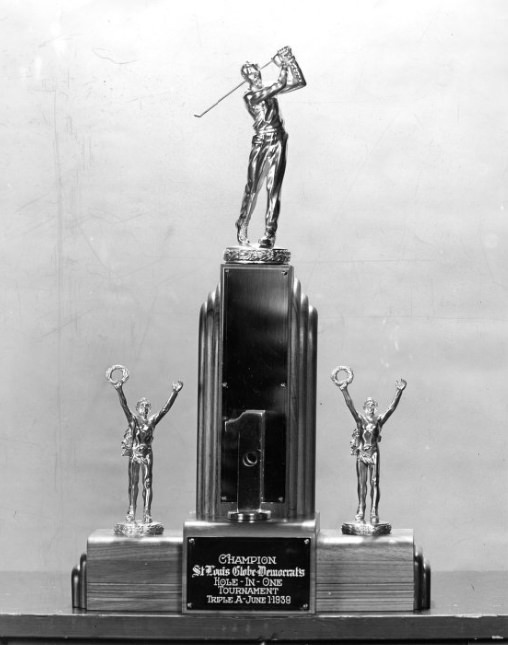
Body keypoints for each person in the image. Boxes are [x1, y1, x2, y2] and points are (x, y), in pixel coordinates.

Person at [236, 46, 306, 249]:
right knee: (253, 187)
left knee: (273, 189)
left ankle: (269, 235)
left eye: (252, 68)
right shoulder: (250, 96)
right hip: (261, 142)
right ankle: (242, 226)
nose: (251, 72)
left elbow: (299, 82)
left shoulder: (268, 87)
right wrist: (284, 63)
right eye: (246, 71)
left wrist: (291, 60)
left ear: (258, 69)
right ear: (245, 78)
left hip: (278, 140)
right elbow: (280, 83)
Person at [111, 375, 183, 524]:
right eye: (142, 406)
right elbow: (124, 405)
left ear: (148, 409)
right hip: (136, 453)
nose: (144, 408)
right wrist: (119, 389)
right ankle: (131, 511)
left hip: (147, 453)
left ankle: (147, 513)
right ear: (137, 408)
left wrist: (174, 392)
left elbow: (164, 410)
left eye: (146, 406)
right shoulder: (133, 420)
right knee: (133, 483)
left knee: (148, 482)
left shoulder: (152, 421)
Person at [338, 378, 407, 525]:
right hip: (362, 453)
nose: (371, 407)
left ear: (375, 407)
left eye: (373, 405)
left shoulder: (379, 420)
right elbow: (350, 405)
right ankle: (361, 509)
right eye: (368, 405)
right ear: (364, 407)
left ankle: (374, 511)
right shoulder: (360, 419)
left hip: (374, 452)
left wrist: (399, 392)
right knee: (362, 483)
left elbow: (391, 409)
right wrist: (344, 390)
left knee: (374, 482)